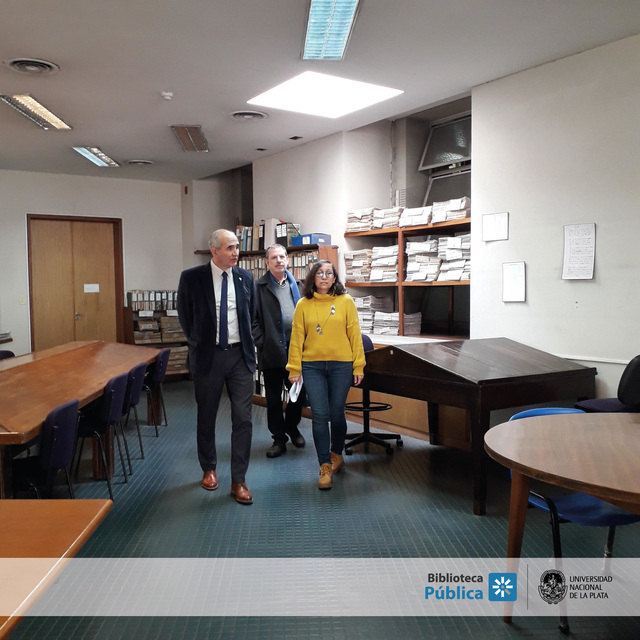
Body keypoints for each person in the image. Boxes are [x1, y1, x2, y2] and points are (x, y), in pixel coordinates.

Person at [177, 228, 256, 505]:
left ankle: (239, 480)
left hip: (239, 358)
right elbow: (185, 316)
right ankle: (209, 468)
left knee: (243, 419)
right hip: (208, 357)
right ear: (214, 251)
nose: (236, 252)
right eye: (230, 248)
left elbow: (252, 316)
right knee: (207, 414)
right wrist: (199, 343)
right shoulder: (192, 278)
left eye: (237, 247)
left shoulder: (246, 278)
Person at [287, 259, 365, 490]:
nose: (324, 277)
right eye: (319, 273)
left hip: (342, 365)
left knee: (336, 413)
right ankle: (324, 465)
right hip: (312, 366)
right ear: (313, 277)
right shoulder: (303, 304)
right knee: (320, 415)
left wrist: (358, 365)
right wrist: (294, 368)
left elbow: (355, 334)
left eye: (328, 273)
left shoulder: (346, 301)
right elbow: (297, 338)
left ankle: (336, 453)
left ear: (334, 278)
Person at [252, 244, 306, 458]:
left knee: (299, 395)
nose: (279, 260)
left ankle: (292, 427)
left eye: (282, 256)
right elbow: (252, 320)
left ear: (288, 259)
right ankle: (278, 439)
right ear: (267, 262)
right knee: (273, 400)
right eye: (274, 257)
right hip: (271, 352)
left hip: (297, 352)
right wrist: (262, 342)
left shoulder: (299, 285)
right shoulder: (259, 287)